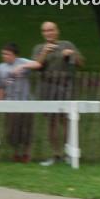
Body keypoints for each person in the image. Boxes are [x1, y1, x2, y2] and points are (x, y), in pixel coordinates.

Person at [21, 21, 84, 166]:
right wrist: (44, 53)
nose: (48, 33)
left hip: (65, 86)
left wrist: (71, 54)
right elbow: (35, 66)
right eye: (45, 31)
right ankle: (56, 155)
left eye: (51, 30)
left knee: (66, 121)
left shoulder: (67, 44)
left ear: (57, 31)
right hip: (47, 87)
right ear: (43, 33)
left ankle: (70, 153)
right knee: (52, 122)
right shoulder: (38, 48)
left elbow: (81, 63)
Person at [0, 43, 34, 163]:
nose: (4, 56)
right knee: (13, 130)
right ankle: (16, 153)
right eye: (3, 53)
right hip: (10, 102)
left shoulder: (23, 62)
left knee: (26, 129)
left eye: (7, 54)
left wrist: (21, 67)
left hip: (26, 101)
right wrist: (1, 104)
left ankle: (26, 153)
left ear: (15, 55)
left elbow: (38, 64)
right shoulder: (0, 67)